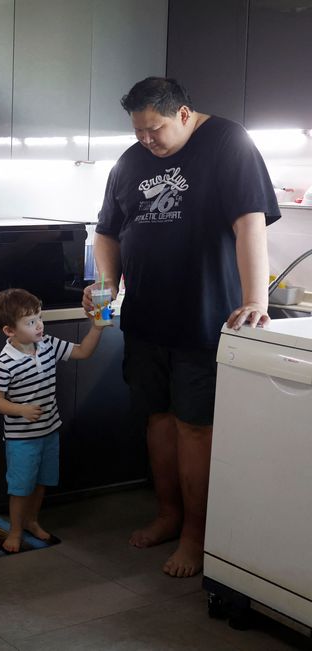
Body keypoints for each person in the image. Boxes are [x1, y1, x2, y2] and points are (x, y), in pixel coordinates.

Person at [84, 77, 279, 578]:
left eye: (156, 130)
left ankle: (197, 534)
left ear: (185, 114)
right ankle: (168, 516)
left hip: (204, 320)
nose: (146, 141)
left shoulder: (228, 143)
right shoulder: (130, 161)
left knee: (195, 427)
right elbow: (108, 232)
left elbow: (249, 222)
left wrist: (255, 299)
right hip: (146, 318)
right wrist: (105, 290)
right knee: (157, 419)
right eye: (139, 131)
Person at [0, 288, 106, 552]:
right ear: (9, 331)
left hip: (50, 431)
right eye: (30, 322)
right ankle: (15, 531)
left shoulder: (48, 345)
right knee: (21, 486)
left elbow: (83, 352)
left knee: (42, 481)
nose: (39, 325)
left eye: (39, 318)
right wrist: (21, 410)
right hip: (22, 439)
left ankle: (32, 521)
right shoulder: (4, 363)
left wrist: (97, 328)